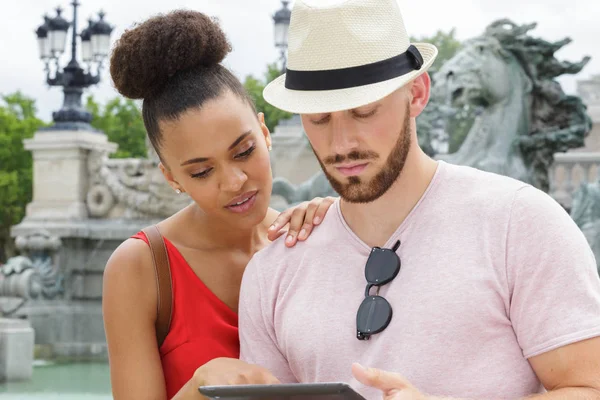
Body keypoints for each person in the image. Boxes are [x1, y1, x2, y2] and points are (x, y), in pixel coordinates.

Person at [237, 0, 600, 398]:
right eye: (319, 118)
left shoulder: (521, 223)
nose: (340, 144)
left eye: (364, 111)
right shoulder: (272, 270)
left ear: (417, 94)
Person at [101, 10, 336, 400]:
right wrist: (197, 389)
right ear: (171, 177)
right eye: (201, 172)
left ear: (264, 133)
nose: (234, 182)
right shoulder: (140, 269)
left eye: (244, 151)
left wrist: (343, 228)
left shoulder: (311, 235)